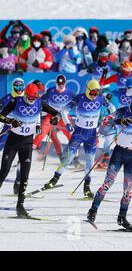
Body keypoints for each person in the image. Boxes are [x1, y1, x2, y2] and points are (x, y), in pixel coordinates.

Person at [42, 79, 114, 198]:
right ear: (87, 91)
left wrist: (112, 120)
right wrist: (67, 123)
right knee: (68, 158)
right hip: (79, 133)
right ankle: (53, 180)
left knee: (90, 162)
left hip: (91, 134)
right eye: (92, 93)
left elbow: (111, 108)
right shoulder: (80, 98)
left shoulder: (100, 99)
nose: (94, 96)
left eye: (96, 93)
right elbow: (65, 110)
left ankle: (87, 187)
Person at [87, 94, 132, 231]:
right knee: (108, 183)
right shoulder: (122, 111)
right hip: (119, 153)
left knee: (128, 190)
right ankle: (93, 210)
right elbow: (105, 121)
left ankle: (122, 217)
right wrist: (120, 121)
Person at [0, 83, 61, 217]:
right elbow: (1, 115)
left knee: (24, 176)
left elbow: (56, 113)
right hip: (13, 141)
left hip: (27, 143)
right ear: (26, 94)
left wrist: (56, 119)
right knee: (3, 172)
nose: (32, 101)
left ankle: (20, 206)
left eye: (34, 98)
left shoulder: (40, 103)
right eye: (30, 98)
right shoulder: (16, 101)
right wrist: (11, 121)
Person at [32, 75, 76, 162]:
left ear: (65, 83)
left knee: (70, 135)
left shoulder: (70, 93)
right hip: (51, 116)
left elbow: (77, 103)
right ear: (56, 83)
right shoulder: (50, 91)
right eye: (59, 84)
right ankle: (28, 153)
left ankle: (74, 157)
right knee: (41, 133)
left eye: (62, 84)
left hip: (63, 117)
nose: (61, 86)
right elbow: (39, 101)